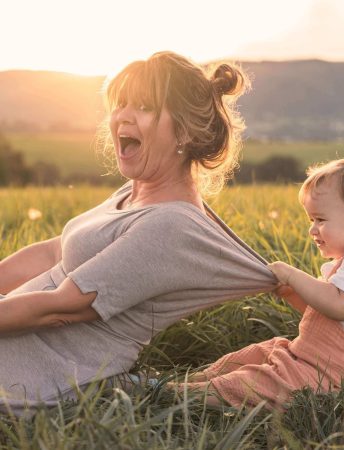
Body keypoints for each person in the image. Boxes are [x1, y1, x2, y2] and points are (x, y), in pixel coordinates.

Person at [0, 51, 277, 415]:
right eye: (120, 104)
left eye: (144, 106)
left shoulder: (171, 227)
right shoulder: (134, 192)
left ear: (185, 130)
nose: (122, 116)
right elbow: (54, 254)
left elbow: (61, 308)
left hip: (36, 381)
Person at [180, 155, 344, 409]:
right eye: (311, 221)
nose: (312, 230)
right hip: (314, 361)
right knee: (261, 352)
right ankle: (195, 380)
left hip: (333, 378)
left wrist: (292, 275)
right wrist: (291, 292)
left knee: (259, 382)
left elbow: (341, 307)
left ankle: (180, 395)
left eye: (320, 220)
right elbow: (328, 316)